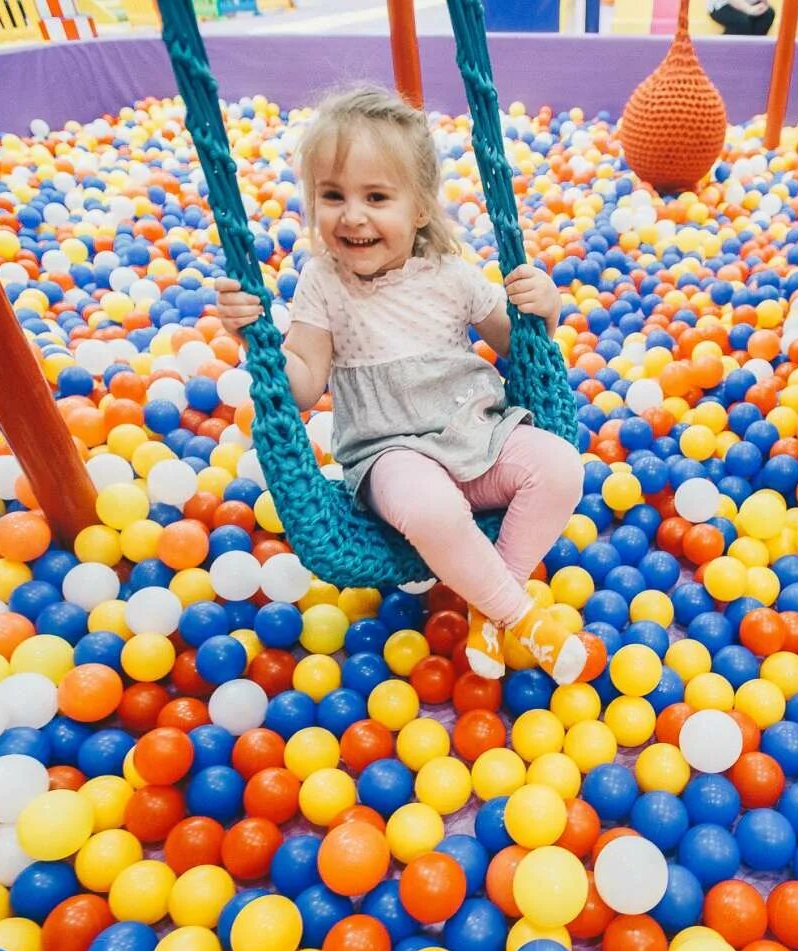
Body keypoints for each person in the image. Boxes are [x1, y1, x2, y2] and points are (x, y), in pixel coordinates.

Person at [215, 86, 590, 685]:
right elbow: (304, 386)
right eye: (332, 195)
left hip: (478, 438)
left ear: (419, 208)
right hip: (393, 455)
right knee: (431, 507)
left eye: (376, 197)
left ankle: (491, 602)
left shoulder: (450, 275)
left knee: (562, 466)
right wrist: (257, 340)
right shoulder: (323, 283)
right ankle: (519, 614)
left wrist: (545, 310)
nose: (352, 215)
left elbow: (522, 345)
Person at [708, 0, 776, 36]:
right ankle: (720, 50)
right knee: (742, 22)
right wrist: (749, 9)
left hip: (750, 3)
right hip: (722, 5)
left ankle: (754, 51)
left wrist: (763, 4)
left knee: (768, 14)